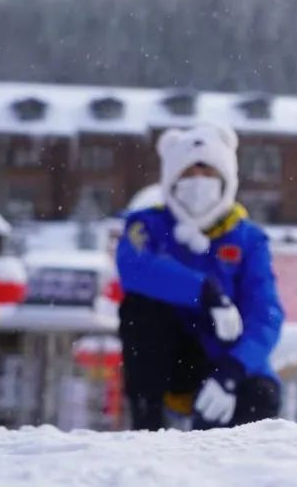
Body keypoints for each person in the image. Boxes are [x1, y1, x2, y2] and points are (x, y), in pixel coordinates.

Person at [116, 122, 284, 430]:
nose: (198, 182)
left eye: (207, 172)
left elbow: (266, 313)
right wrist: (205, 291)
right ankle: (146, 424)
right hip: (168, 356)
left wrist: (233, 371)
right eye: (189, 173)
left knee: (260, 396)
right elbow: (134, 266)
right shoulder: (148, 225)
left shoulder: (249, 240)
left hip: (225, 358)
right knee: (139, 309)